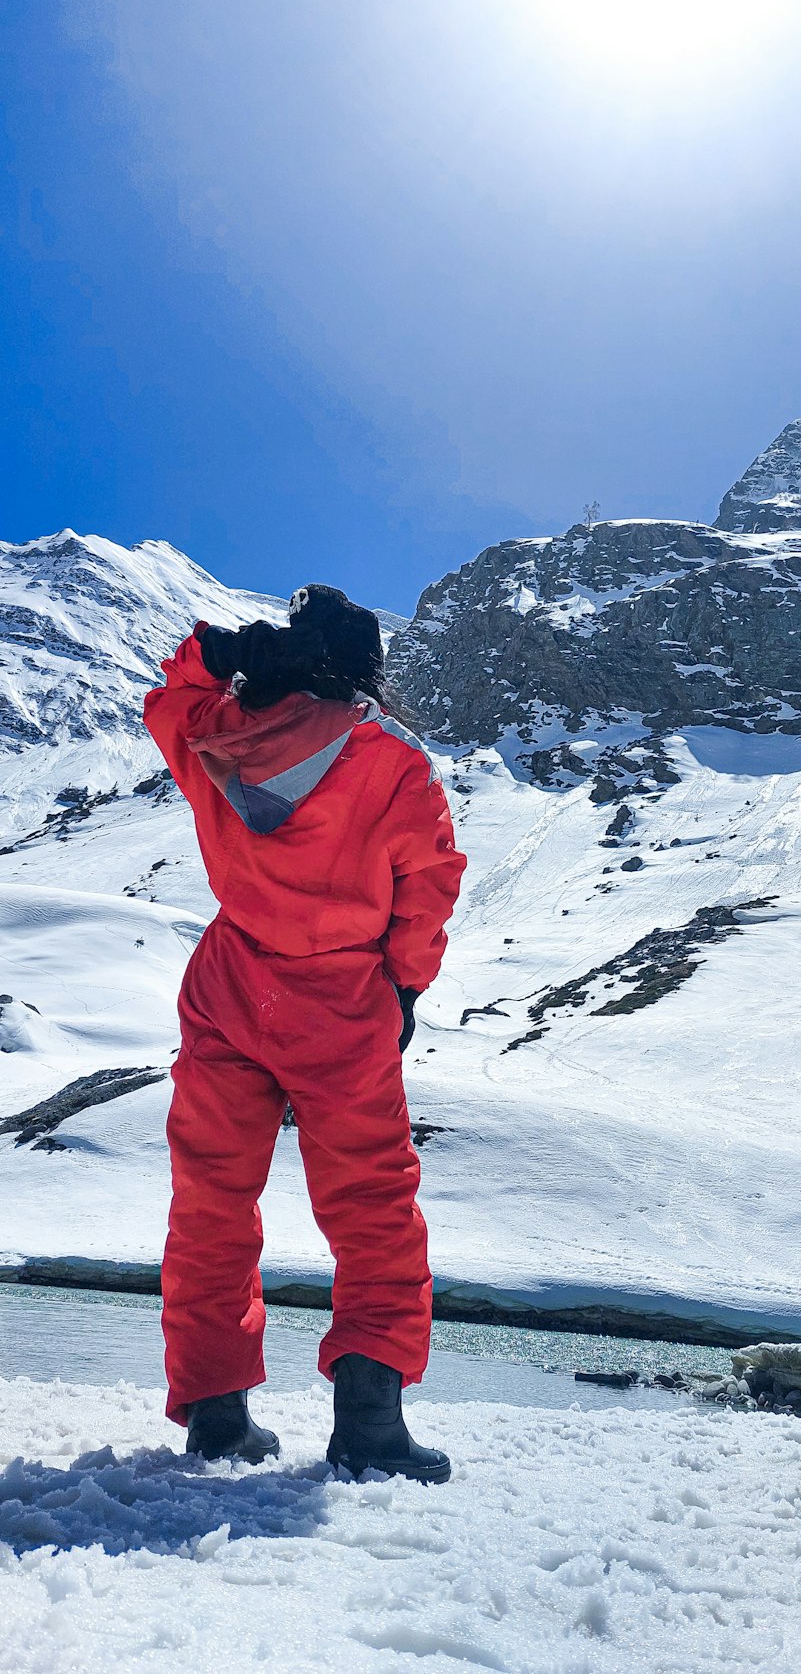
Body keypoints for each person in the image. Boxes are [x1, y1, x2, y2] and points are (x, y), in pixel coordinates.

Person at [143, 584, 466, 1481]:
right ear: (362, 671)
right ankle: (370, 1427)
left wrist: (220, 651)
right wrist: (403, 986)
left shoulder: (215, 733)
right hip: (342, 1000)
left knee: (211, 1202)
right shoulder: (392, 763)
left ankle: (216, 1417)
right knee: (372, 1210)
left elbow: (166, 698)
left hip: (230, 985)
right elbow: (429, 883)